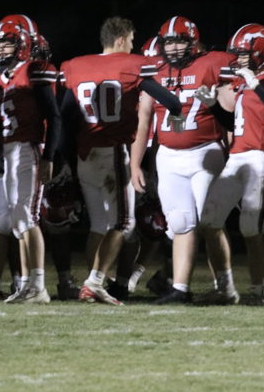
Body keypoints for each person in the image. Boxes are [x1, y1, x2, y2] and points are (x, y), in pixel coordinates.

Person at [59, 17, 182, 305]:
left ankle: (93, 280)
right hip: (113, 150)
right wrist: (176, 113)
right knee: (124, 223)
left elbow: (65, 114)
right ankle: (95, 282)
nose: (133, 46)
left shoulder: (75, 65)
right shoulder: (132, 65)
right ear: (119, 40)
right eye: (130, 40)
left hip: (84, 153)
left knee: (99, 224)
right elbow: (172, 103)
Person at [196, 24, 264, 305]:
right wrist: (213, 107)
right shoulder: (243, 81)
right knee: (209, 218)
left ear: (262, 52)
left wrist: (258, 83)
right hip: (237, 156)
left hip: (262, 158)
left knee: (250, 227)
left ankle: (257, 291)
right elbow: (236, 123)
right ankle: (226, 287)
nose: (239, 58)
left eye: (244, 53)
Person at [129, 16, 234, 304]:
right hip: (169, 156)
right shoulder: (154, 69)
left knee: (211, 221)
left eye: (180, 41)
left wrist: (233, 153)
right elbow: (145, 118)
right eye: (169, 42)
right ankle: (180, 288)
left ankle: (225, 287)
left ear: (194, 43)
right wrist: (135, 163)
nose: (174, 48)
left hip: (206, 152)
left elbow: (231, 117)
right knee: (179, 221)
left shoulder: (213, 63)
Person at [0, 16, 61, 304]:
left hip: (30, 147)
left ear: (23, 45)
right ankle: (27, 284)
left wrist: (48, 157)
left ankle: (38, 287)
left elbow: (53, 116)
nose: (2, 49)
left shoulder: (33, 70)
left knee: (28, 217)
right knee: (18, 221)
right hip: (10, 148)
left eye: (8, 44)